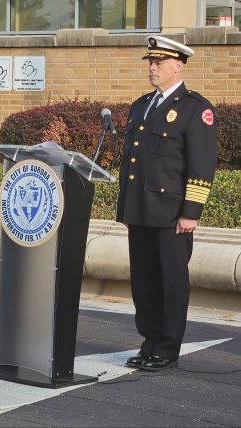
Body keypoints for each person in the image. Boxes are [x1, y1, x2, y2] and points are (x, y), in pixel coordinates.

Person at [116, 36, 218, 371]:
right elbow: (133, 162)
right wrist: (127, 208)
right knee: (143, 282)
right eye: (150, 62)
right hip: (140, 210)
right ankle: (150, 342)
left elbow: (202, 165)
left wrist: (191, 212)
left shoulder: (195, 108)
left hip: (172, 213)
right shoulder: (141, 105)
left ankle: (168, 348)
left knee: (171, 282)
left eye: (159, 62)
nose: (152, 67)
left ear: (178, 65)